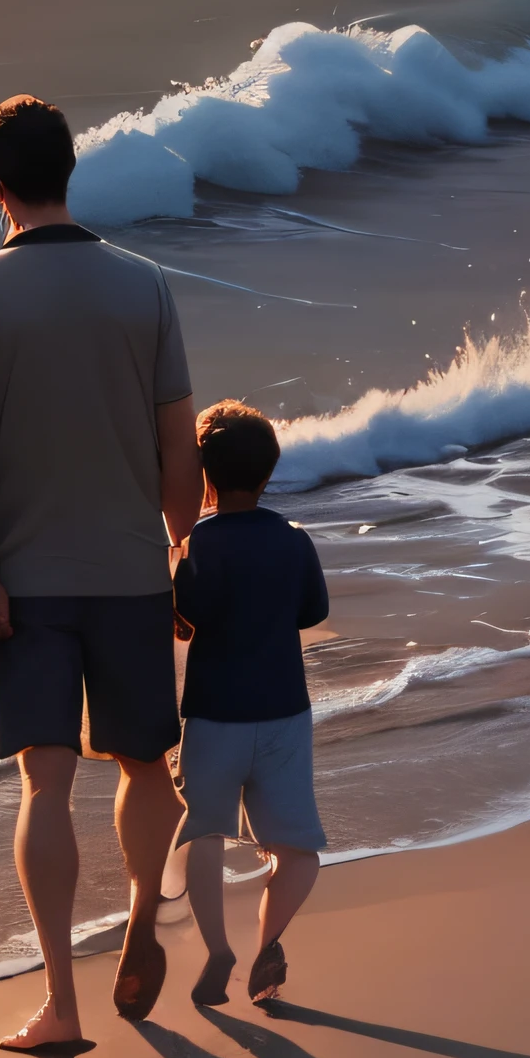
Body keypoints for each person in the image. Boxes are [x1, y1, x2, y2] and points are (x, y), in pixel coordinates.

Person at [0, 94, 200, 1056]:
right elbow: (178, 445)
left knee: (45, 782)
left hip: (30, 577)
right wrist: (181, 551)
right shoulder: (145, 284)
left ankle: (61, 1007)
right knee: (146, 764)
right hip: (130, 568)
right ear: (70, 170)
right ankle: (136, 922)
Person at [170, 399, 330, 1013]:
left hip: (213, 715)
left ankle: (218, 949)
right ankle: (271, 940)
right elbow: (312, 612)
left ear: (204, 476)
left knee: (205, 833)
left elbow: (189, 614)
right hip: (285, 711)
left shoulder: (200, 543)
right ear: (269, 474)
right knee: (297, 850)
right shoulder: (293, 539)